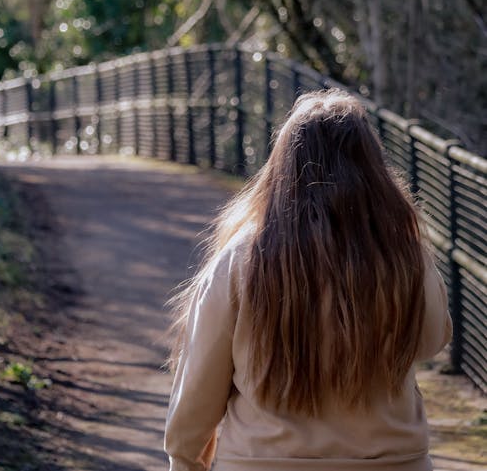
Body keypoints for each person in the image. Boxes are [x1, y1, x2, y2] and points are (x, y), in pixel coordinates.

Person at [164, 88, 452, 471]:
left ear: (284, 166)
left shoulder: (243, 256)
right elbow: (432, 339)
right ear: (372, 165)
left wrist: (184, 458)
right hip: (393, 461)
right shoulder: (404, 250)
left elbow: (200, 378)